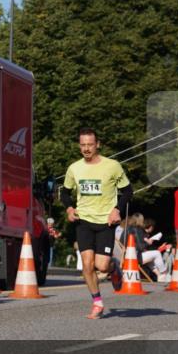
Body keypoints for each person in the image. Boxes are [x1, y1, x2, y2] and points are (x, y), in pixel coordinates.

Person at [61, 127, 132, 319]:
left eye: (90, 145)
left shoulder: (112, 165)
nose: (86, 149)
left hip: (105, 222)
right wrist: (69, 208)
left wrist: (116, 210)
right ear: (79, 146)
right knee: (87, 264)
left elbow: (127, 191)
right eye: (83, 145)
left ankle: (113, 267)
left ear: (97, 145)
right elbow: (64, 192)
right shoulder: (74, 168)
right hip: (83, 220)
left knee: (101, 266)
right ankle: (97, 303)